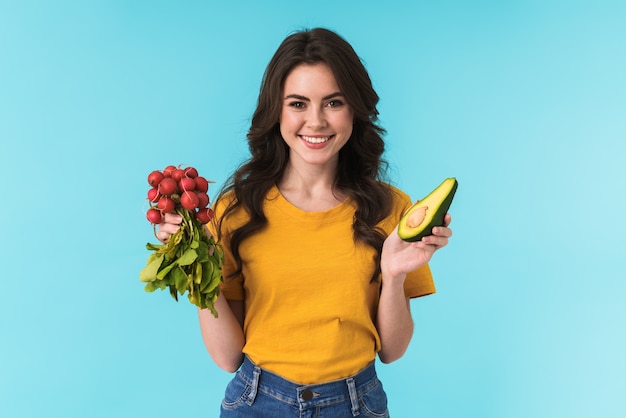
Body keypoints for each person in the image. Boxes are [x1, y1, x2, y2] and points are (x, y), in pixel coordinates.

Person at [156, 27, 453, 418]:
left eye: (333, 102)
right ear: (275, 111)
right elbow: (228, 358)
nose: (315, 121)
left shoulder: (391, 209)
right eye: (298, 103)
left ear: (354, 110)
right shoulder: (235, 210)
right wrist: (198, 271)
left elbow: (392, 351)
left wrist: (393, 275)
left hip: (356, 404)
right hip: (257, 402)